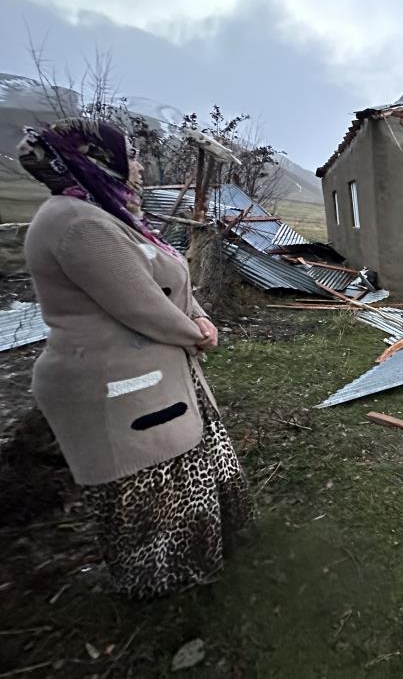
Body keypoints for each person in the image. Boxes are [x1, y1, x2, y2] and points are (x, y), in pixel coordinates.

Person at [20, 118, 254, 599]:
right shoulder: (78, 223)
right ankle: (163, 583)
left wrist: (200, 316)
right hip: (118, 384)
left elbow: (168, 281)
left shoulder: (109, 212)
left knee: (187, 462)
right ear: (97, 159)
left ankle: (207, 558)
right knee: (152, 481)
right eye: (131, 156)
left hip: (158, 372)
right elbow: (140, 304)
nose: (140, 166)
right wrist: (196, 334)